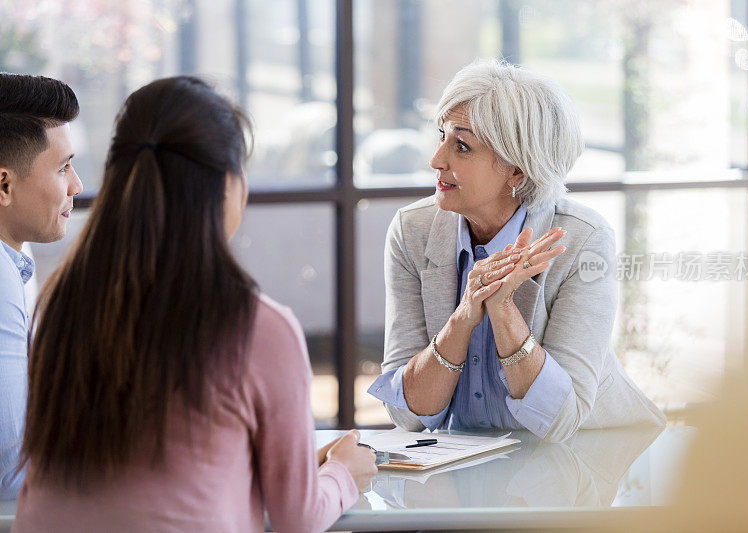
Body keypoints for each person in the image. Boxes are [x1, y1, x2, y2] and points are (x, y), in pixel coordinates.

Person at [12, 76, 376, 532]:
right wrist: (345, 473)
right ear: (226, 184)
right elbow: (296, 519)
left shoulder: (59, 305)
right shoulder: (258, 326)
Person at [369, 60, 665, 442]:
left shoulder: (582, 239)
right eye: (441, 135)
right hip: (465, 466)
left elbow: (561, 422)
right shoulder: (413, 230)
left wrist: (503, 309)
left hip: (592, 455)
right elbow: (406, 413)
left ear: (518, 171)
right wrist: (463, 317)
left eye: (461, 145)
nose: (436, 160)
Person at [0, 73, 82, 499]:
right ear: (4, 185)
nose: (76, 186)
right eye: (64, 167)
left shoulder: (16, 259)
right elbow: (9, 477)